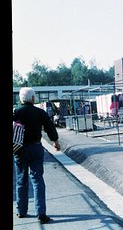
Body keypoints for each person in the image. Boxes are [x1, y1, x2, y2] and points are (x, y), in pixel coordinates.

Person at [13, 87, 61, 224]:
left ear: (21, 99)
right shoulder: (40, 112)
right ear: (33, 98)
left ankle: (21, 211)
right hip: (36, 147)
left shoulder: (16, 112)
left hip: (19, 149)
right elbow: (50, 128)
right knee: (37, 179)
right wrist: (56, 142)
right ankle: (41, 214)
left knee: (21, 179)